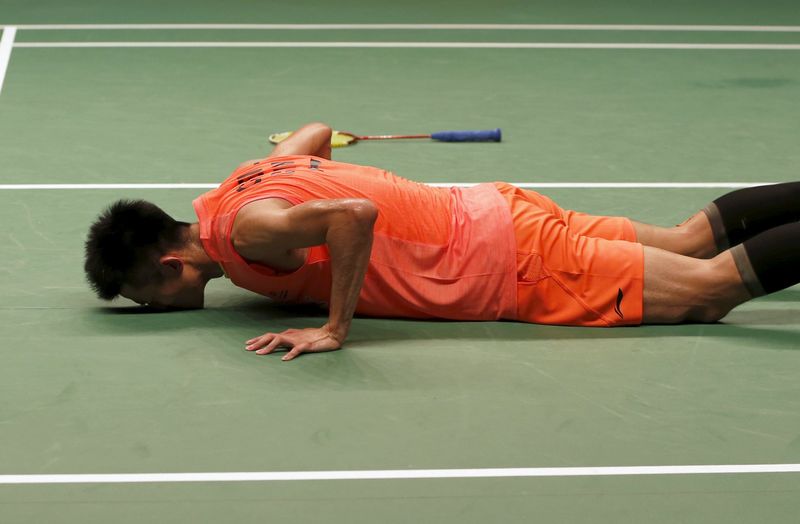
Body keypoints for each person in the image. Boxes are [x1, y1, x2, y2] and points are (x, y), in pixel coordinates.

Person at [84, 122, 799, 361]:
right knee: (689, 241)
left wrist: (336, 327)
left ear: (168, 263)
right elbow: (308, 133)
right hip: (495, 211)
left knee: (706, 293)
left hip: (505, 263)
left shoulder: (245, 231)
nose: (153, 307)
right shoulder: (238, 184)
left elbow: (353, 215)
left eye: (145, 296)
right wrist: (324, 147)